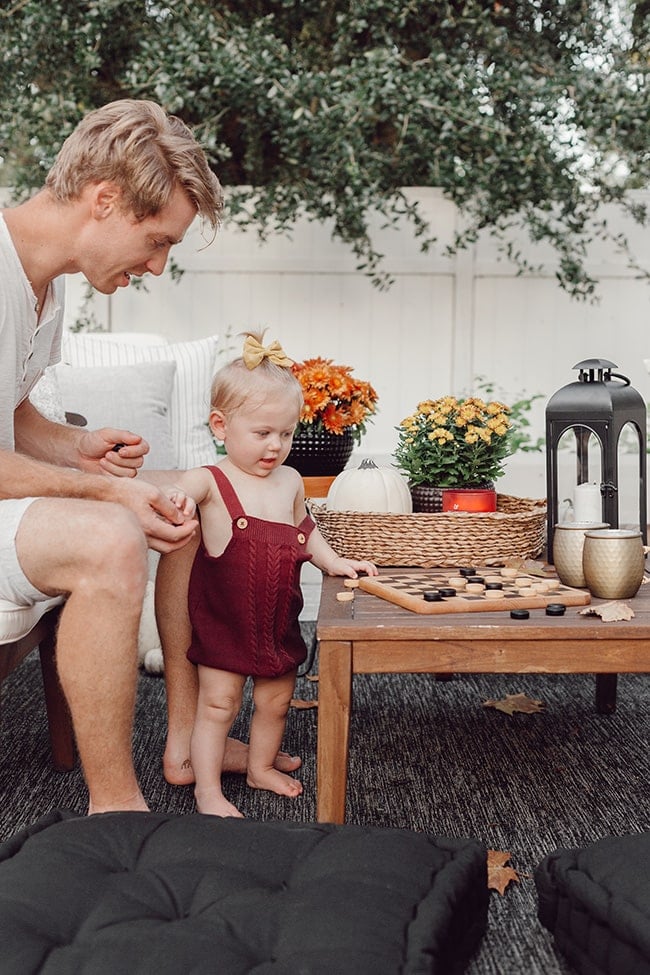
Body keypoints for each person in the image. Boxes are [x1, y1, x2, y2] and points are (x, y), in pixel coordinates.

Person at [0, 98, 225, 814]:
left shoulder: (48, 285)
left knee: (188, 492)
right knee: (111, 537)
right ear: (105, 200)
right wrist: (103, 495)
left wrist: (78, 449)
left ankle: (187, 738)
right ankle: (117, 809)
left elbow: (13, 416)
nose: (157, 266)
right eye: (156, 240)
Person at [165, 332, 377, 816]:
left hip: (279, 623)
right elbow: (184, 485)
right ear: (221, 425)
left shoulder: (290, 480)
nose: (275, 446)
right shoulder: (214, 481)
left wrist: (334, 561)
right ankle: (208, 791)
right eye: (262, 433)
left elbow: (307, 532)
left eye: (286, 433)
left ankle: (260, 767)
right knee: (218, 707)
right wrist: (178, 498)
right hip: (226, 626)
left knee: (276, 703)